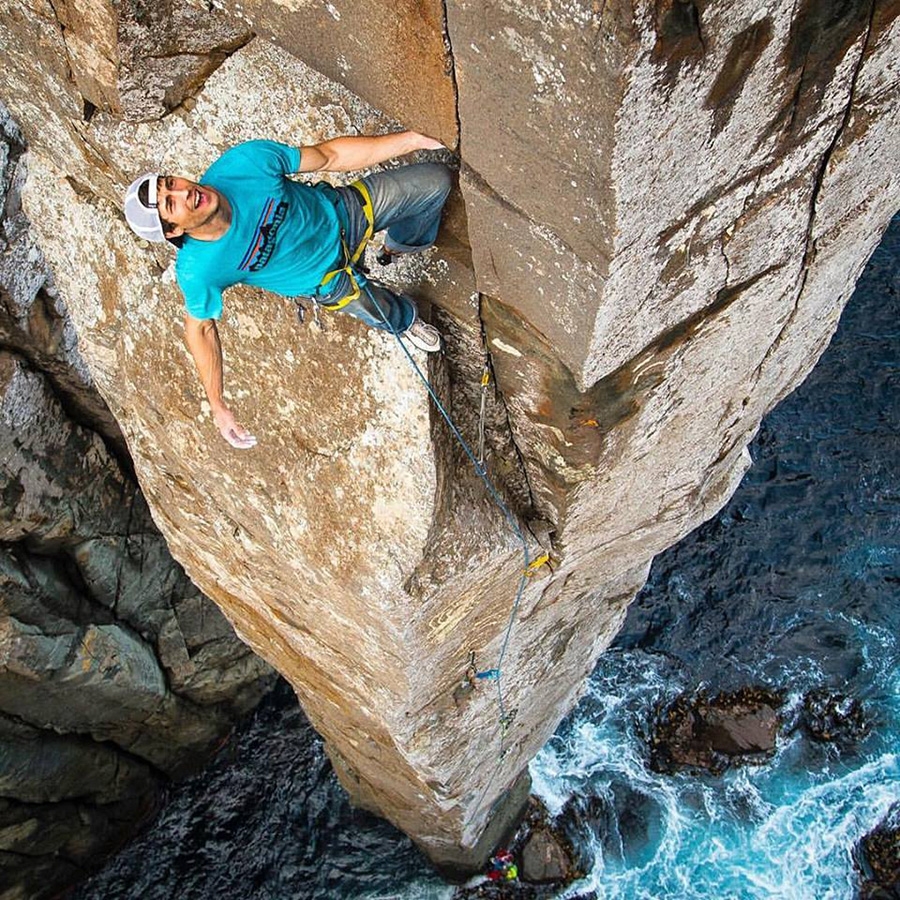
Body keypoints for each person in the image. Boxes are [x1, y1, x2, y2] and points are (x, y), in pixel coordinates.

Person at [123, 131, 452, 449]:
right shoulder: (198, 270)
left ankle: (400, 245)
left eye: (171, 184)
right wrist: (217, 403)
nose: (184, 193)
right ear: (174, 230)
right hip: (328, 280)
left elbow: (330, 156)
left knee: (437, 181)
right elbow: (200, 328)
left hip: (343, 215)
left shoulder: (245, 163)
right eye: (170, 203)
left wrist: (414, 139)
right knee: (380, 310)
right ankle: (406, 321)